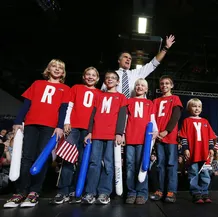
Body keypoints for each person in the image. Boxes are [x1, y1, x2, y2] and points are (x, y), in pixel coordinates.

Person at [4, 59, 70, 208]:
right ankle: (20, 192)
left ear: (63, 72)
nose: (57, 69)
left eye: (60, 67)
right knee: (27, 156)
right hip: (31, 124)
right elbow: (26, 104)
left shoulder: (65, 89)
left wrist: (60, 126)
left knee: (42, 157)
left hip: (50, 126)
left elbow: (63, 109)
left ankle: (34, 191)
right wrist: (17, 121)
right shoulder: (37, 84)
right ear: (48, 69)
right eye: (54, 66)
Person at [52, 67, 100, 205]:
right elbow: (70, 105)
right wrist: (67, 122)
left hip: (88, 129)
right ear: (84, 77)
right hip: (73, 127)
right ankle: (63, 191)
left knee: (82, 160)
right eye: (88, 75)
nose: (90, 77)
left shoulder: (99, 93)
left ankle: (76, 189)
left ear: (97, 78)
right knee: (67, 159)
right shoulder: (76, 88)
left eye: (93, 75)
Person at [82, 71, 127, 205]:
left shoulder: (121, 97)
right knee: (94, 163)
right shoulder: (99, 95)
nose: (110, 80)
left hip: (111, 135)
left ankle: (104, 192)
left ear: (118, 82)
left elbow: (122, 116)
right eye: (107, 78)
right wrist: (90, 132)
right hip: (96, 134)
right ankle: (90, 192)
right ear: (104, 81)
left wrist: (119, 133)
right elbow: (92, 115)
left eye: (113, 78)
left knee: (108, 163)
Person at [101, 35, 176, 98]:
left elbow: (154, 63)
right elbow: (102, 93)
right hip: (116, 109)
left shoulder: (137, 73)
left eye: (130, 58)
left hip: (134, 109)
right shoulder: (111, 76)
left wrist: (165, 48)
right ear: (119, 60)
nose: (128, 59)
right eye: (125, 57)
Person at [124, 78, 158, 205]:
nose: (139, 87)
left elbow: (152, 119)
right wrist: (122, 134)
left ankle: (142, 193)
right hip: (130, 138)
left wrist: (155, 130)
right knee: (129, 166)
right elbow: (126, 119)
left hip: (144, 139)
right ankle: (131, 192)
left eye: (142, 85)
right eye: (137, 85)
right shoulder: (129, 101)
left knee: (142, 166)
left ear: (146, 89)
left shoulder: (150, 103)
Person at [150, 75, 183, 203]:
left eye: (167, 83)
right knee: (160, 165)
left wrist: (166, 131)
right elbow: (152, 118)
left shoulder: (175, 99)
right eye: (162, 83)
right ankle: (160, 190)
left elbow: (176, 116)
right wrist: (156, 132)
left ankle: (171, 191)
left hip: (170, 137)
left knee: (171, 164)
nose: (164, 86)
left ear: (171, 85)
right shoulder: (155, 101)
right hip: (158, 137)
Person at [179, 98, 216, 203]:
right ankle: (196, 193)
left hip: (204, 153)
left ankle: (205, 192)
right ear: (189, 108)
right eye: (194, 106)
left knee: (205, 173)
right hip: (193, 152)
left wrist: (211, 148)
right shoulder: (186, 121)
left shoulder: (205, 122)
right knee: (193, 172)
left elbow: (210, 137)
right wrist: (185, 149)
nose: (197, 108)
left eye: (199, 106)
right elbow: (184, 137)